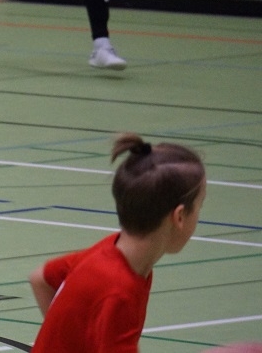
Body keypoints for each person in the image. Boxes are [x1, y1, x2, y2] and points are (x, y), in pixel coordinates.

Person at [29, 133, 207, 352]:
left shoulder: (109, 250)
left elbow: (41, 278)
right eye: (200, 205)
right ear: (179, 217)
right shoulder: (120, 293)